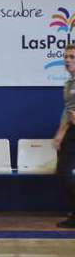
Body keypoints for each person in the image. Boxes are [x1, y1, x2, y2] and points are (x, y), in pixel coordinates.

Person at [53, 43, 75, 228]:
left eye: (72, 57)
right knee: (63, 173)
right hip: (71, 132)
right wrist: (60, 135)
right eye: (66, 57)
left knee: (64, 173)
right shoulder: (68, 84)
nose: (67, 60)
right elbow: (67, 112)